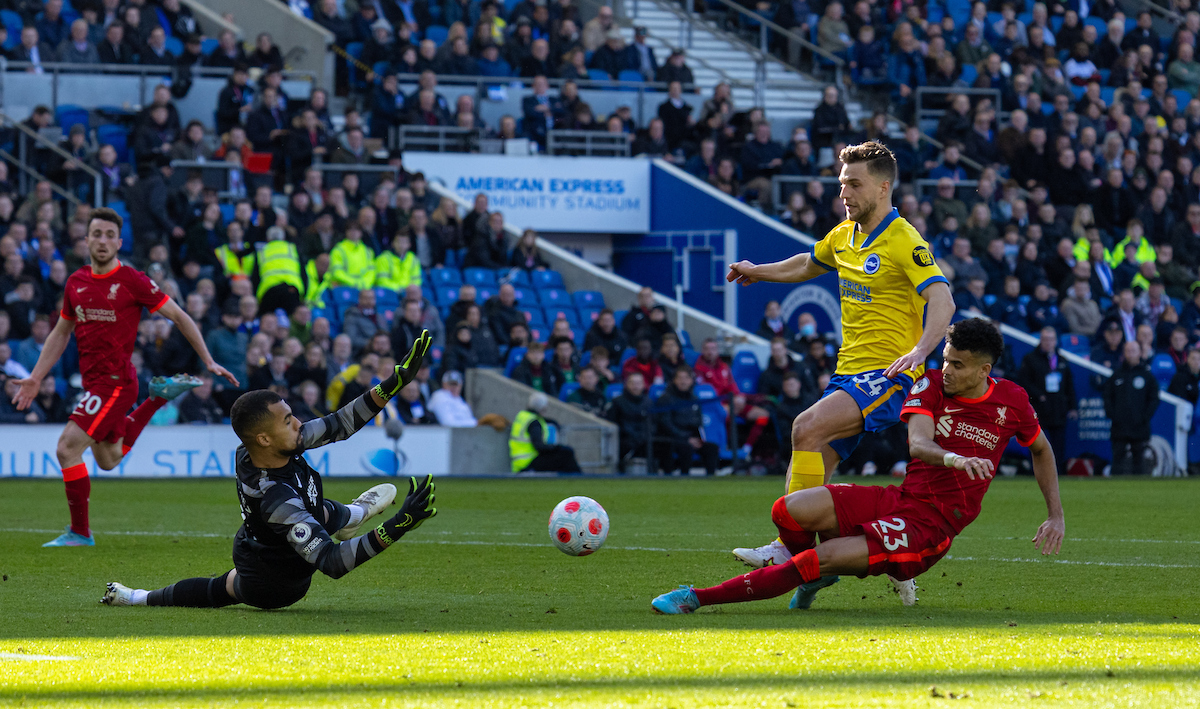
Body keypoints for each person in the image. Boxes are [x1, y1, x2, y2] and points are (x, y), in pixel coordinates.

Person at [652, 319, 1064, 615]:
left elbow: (1041, 450)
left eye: (957, 364)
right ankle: (811, 578)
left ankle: (697, 597)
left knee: (815, 558)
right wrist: (956, 458)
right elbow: (919, 444)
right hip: (901, 499)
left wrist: (1055, 514)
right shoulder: (932, 385)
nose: (946, 369)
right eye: (945, 359)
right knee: (789, 509)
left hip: (929, 528)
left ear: (983, 370)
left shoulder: (1012, 401)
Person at [725, 142, 953, 595]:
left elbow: (943, 299)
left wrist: (921, 352)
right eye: (841, 183)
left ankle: (788, 549)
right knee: (819, 484)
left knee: (805, 428)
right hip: (848, 374)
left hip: (889, 374)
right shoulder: (844, 234)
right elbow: (807, 264)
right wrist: (760, 270)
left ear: (884, 186)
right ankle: (889, 563)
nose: (844, 192)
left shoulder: (905, 239)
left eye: (854, 183)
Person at [101, 333, 438, 609]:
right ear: (263, 438)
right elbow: (333, 562)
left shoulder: (262, 447)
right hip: (275, 582)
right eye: (288, 420)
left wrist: (391, 385)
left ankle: (351, 515)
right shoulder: (276, 499)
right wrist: (399, 524)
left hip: (259, 538)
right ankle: (137, 598)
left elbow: (340, 424)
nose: (299, 424)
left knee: (315, 507)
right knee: (222, 589)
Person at [11, 208, 238, 547]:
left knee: (66, 448)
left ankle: (80, 533)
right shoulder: (76, 282)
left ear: (119, 242)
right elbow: (60, 332)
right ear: (85, 239)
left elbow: (179, 315)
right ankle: (156, 400)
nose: (102, 241)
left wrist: (208, 359)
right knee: (108, 459)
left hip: (115, 382)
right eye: (96, 234)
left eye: (108, 235)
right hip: (97, 383)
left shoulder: (133, 281)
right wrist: (34, 377)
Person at [1016, 327, 1076, 473]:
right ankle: (1035, 472)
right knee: (1036, 442)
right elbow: (1024, 381)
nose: (1048, 343)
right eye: (1045, 339)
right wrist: (1038, 395)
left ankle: (1057, 472)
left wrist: (1073, 407)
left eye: (1051, 339)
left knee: (1058, 444)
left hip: (1058, 409)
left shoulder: (1062, 360)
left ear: (1055, 341)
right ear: (1041, 340)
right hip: (1038, 409)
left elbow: (1069, 385)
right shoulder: (1030, 359)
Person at [1102, 340, 1159, 476]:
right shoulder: (1117, 374)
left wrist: (1144, 417)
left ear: (1139, 352)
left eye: (1133, 350)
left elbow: (1154, 399)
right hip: (1119, 426)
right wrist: (1112, 415)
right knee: (1117, 460)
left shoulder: (1147, 376)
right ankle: (1114, 490)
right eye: (1128, 350)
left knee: (1139, 461)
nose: (1130, 354)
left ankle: (1140, 492)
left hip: (1139, 426)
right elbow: (1107, 396)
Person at [654, 366, 720, 476]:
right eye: (680, 378)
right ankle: (684, 478)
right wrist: (686, 438)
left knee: (712, 448)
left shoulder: (694, 399)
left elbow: (699, 421)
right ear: (674, 380)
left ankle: (710, 478)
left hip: (691, 437)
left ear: (691, 381)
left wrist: (698, 439)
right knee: (686, 448)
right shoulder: (666, 399)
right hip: (672, 438)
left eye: (686, 378)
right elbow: (666, 423)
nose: (683, 381)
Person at [510, 392, 582, 472]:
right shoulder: (534, 424)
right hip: (529, 463)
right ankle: (579, 478)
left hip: (520, 463)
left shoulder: (523, 416)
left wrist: (552, 421)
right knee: (566, 453)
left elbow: (538, 419)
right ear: (543, 408)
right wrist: (556, 447)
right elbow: (539, 446)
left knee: (563, 454)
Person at [606, 370, 651, 472]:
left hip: (644, 439)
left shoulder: (649, 402)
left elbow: (653, 424)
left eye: (638, 383)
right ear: (626, 384)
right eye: (632, 383)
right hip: (624, 439)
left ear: (643, 385)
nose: (635, 386)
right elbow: (613, 424)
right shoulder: (617, 402)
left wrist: (643, 436)